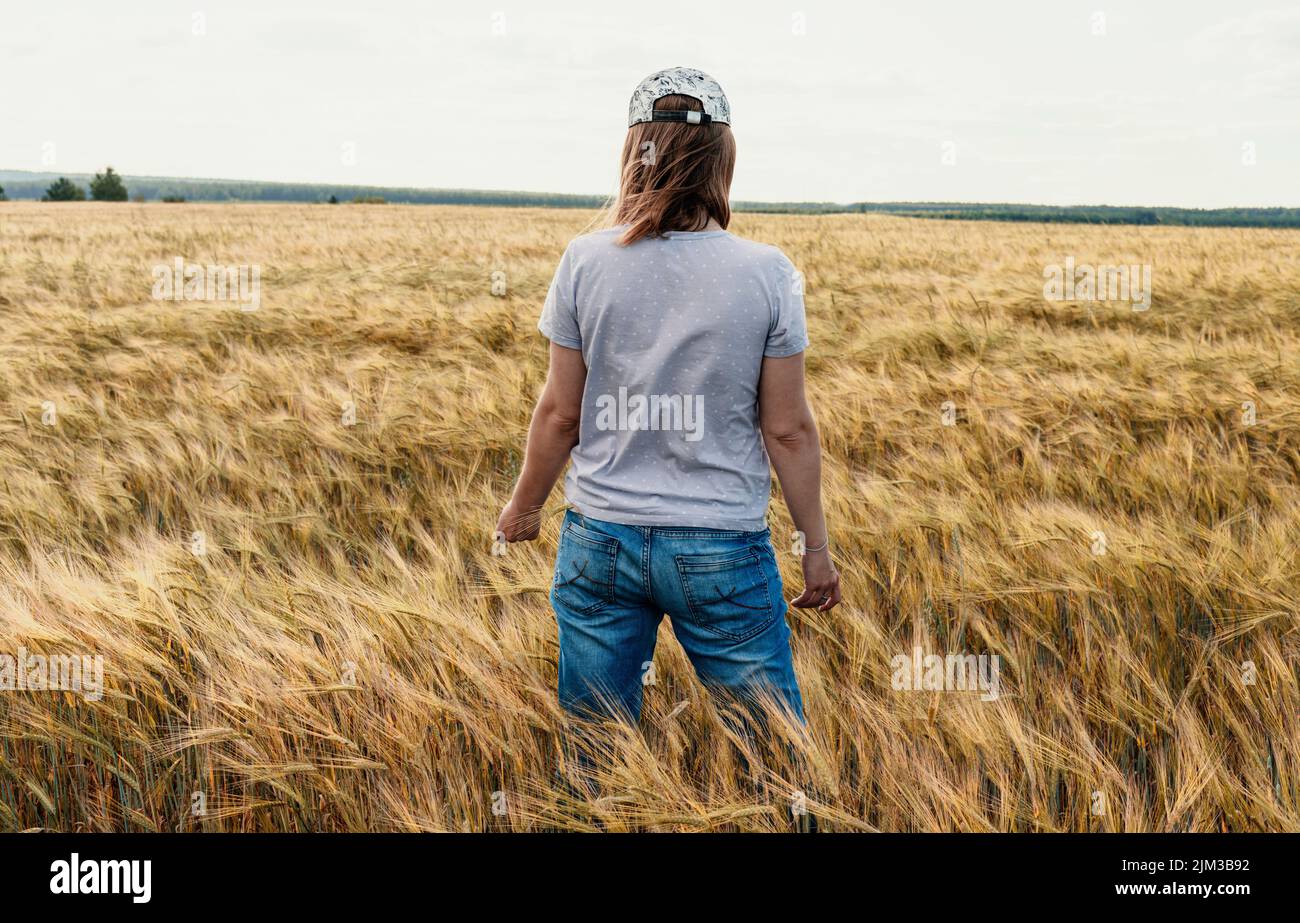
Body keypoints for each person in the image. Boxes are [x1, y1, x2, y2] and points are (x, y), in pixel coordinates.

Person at [496, 66, 840, 733]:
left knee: (594, 752)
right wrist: (814, 547)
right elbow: (789, 429)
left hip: (600, 542)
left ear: (634, 156)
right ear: (723, 163)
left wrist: (524, 507)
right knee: (774, 756)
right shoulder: (768, 272)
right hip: (722, 548)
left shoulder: (583, 261)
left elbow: (560, 413)